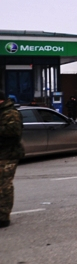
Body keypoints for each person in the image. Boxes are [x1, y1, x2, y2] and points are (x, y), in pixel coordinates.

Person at [0, 90, 24, 228]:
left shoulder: (11, 113)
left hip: (8, 155)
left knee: (4, 186)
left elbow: (14, 132)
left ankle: (3, 217)